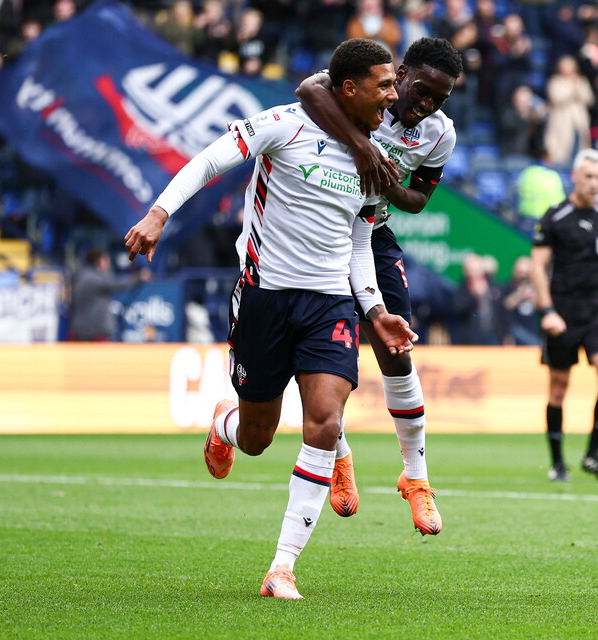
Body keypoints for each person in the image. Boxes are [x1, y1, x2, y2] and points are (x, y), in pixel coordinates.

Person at [124, 39, 415, 600]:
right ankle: (224, 424)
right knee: (257, 437)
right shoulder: (284, 124)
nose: (392, 94)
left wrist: (375, 310)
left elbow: (361, 241)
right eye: (383, 84)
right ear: (348, 88)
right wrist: (159, 213)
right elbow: (210, 159)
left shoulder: (374, 156)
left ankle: (282, 568)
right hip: (263, 297)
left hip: (329, 303)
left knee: (325, 422)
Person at [294, 37, 462, 536]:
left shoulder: (439, 134)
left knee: (397, 348)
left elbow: (416, 200)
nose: (426, 104)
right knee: (322, 359)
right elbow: (309, 88)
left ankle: (416, 478)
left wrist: (382, 177)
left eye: (440, 98)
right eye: (423, 90)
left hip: (371, 229)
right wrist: (365, 145)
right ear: (402, 72)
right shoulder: (369, 91)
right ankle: (338, 456)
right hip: (315, 230)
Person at [530, 148, 598, 482]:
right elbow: (538, 267)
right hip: (562, 310)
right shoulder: (555, 217)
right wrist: (547, 310)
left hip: (597, 309)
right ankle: (557, 463)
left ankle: (593, 455)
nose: (594, 183)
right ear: (576, 177)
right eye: (589, 177)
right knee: (559, 387)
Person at [67, 248, 149, 342]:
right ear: (97, 261)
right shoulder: (90, 278)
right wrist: (139, 277)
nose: (109, 262)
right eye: (105, 259)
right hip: (87, 333)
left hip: (91, 331)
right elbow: (116, 283)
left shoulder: (88, 276)